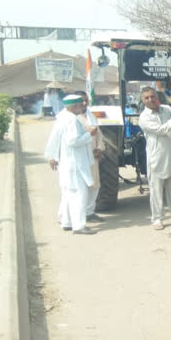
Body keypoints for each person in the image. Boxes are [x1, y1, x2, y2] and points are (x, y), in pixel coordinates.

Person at [138, 86, 171, 230]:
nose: (151, 100)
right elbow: (162, 130)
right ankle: (157, 219)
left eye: (153, 96)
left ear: (157, 96)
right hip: (157, 158)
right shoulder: (144, 117)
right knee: (156, 190)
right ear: (143, 101)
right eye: (147, 98)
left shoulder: (165, 109)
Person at [44, 94, 98, 235]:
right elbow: (73, 141)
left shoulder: (62, 117)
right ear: (75, 106)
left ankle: (67, 223)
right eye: (81, 104)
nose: (83, 106)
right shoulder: (72, 120)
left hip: (67, 163)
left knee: (68, 195)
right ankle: (79, 226)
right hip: (75, 165)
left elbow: (54, 138)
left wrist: (51, 156)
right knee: (79, 195)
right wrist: (89, 135)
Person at [74, 90, 106, 221]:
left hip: (93, 156)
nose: (84, 103)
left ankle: (89, 212)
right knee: (80, 187)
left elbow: (98, 133)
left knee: (94, 185)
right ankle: (77, 215)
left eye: (86, 100)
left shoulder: (91, 116)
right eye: (81, 100)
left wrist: (100, 148)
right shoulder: (72, 118)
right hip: (79, 157)